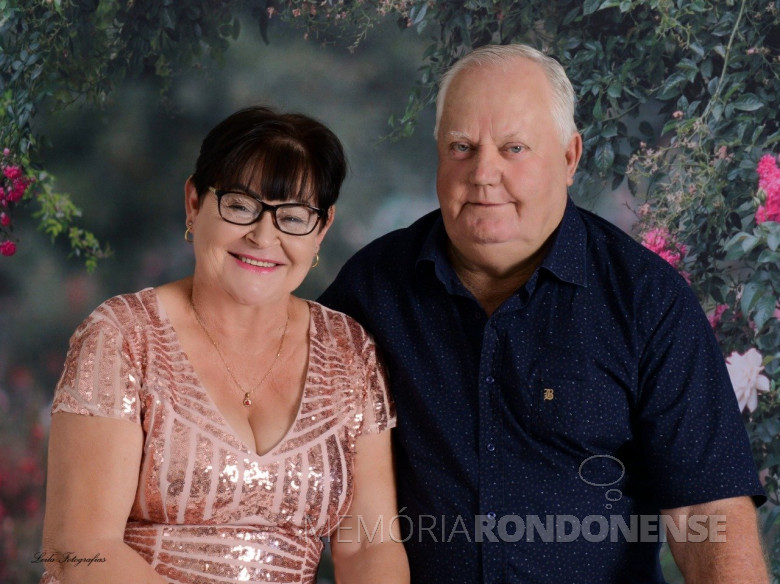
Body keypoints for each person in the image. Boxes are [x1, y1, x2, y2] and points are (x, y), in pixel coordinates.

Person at [319, 45, 769, 583]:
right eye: (462, 147)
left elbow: (708, 511)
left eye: (514, 148)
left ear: (569, 157)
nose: (484, 173)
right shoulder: (372, 290)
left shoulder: (648, 300)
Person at [40, 106, 410, 584]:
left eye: (294, 217)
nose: (263, 236)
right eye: (240, 205)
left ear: (322, 228)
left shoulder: (350, 352)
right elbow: (78, 550)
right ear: (194, 203)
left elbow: (369, 544)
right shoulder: (123, 336)